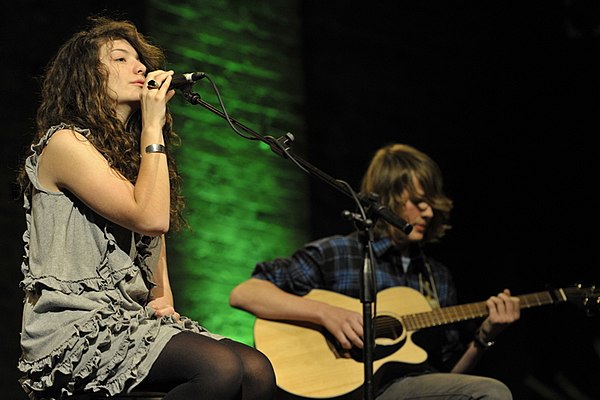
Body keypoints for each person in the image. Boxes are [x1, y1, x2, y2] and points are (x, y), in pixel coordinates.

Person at [16, 16, 275, 400]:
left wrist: (162, 299)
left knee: (257, 371)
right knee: (218, 368)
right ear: (85, 77)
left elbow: (154, 234)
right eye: (120, 59)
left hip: (127, 319)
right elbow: (150, 216)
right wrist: (152, 128)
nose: (140, 67)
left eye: (140, 60)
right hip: (74, 325)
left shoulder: (134, 157)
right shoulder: (64, 144)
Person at [230, 143, 521, 399]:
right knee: (492, 392)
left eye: (432, 204)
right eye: (419, 203)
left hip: (407, 388)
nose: (429, 213)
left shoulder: (437, 277)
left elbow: (450, 378)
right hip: (339, 387)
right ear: (390, 198)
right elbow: (246, 293)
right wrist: (327, 313)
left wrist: (484, 337)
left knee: (489, 390)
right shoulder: (340, 253)